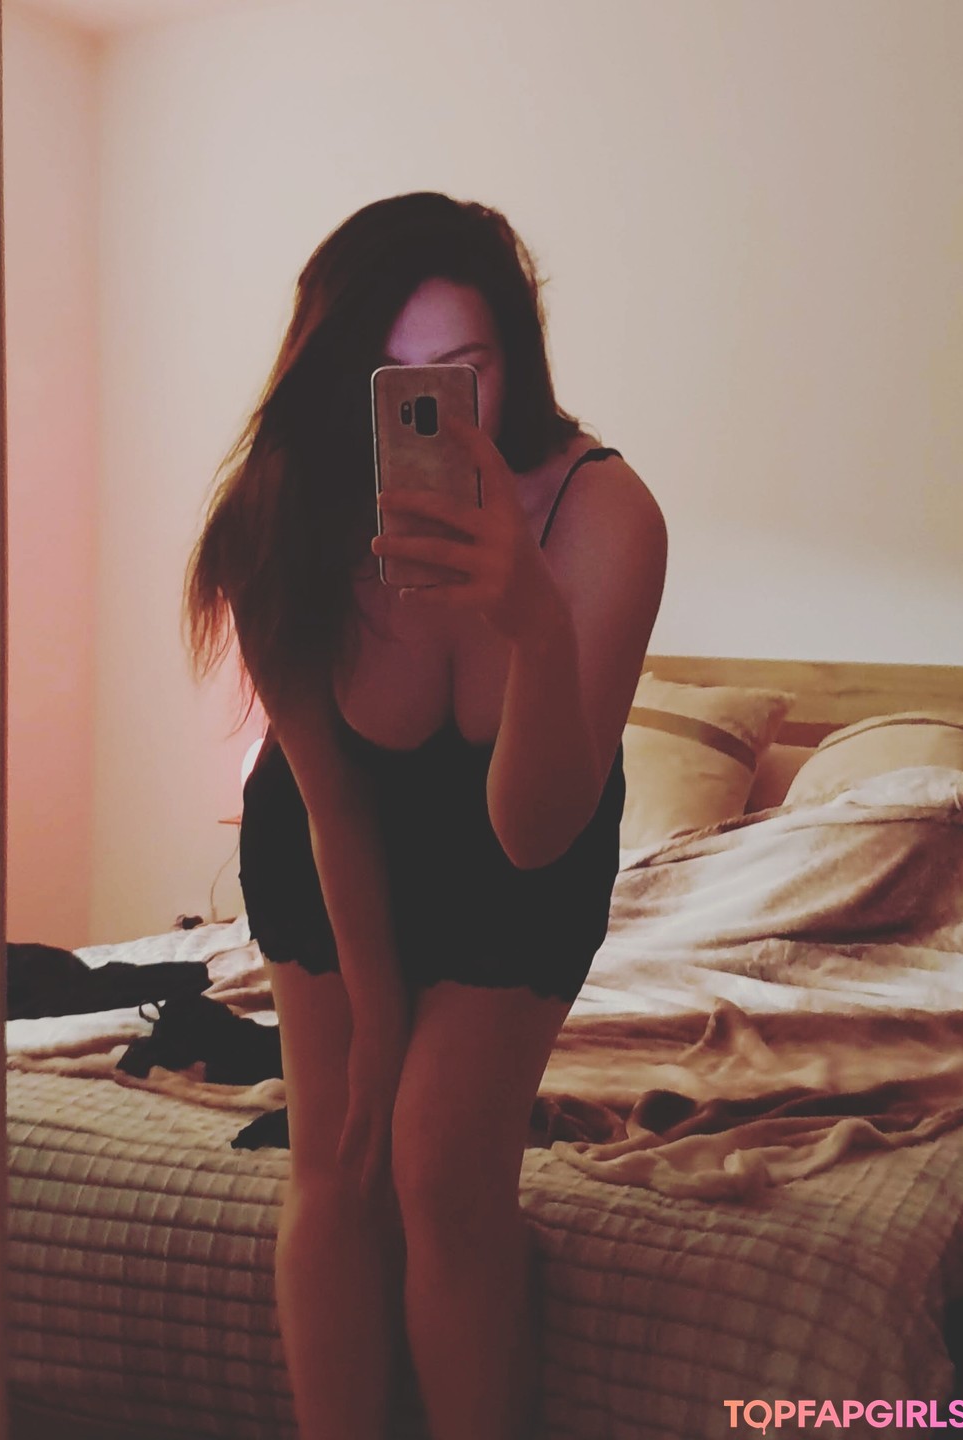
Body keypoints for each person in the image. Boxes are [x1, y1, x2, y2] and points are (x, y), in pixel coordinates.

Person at [183, 191, 667, 1440]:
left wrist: (532, 620)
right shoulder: (279, 517)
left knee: (442, 1169)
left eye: (464, 372)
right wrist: (380, 1031)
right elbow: (332, 804)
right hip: (328, 840)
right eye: (392, 379)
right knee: (342, 1161)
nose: (429, 412)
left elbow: (535, 836)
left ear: (516, 364)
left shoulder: (604, 516)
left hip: (528, 849)